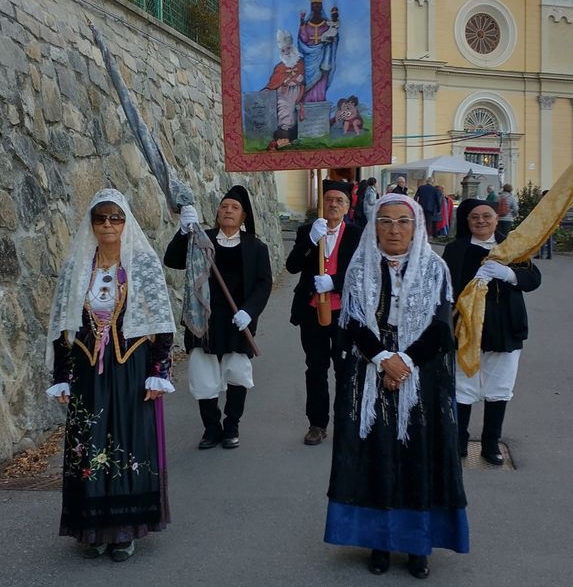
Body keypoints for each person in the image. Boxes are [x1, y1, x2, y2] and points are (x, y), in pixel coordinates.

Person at [325, 194, 469, 578]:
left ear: (417, 226)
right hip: (368, 373)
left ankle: (418, 546)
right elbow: (354, 322)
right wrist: (382, 358)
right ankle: (380, 543)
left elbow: (441, 326)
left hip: (422, 377)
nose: (394, 229)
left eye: (403, 221)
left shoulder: (435, 268)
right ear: (374, 226)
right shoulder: (360, 267)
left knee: (418, 455)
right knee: (376, 455)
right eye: (385, 221)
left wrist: (404, 361)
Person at [46, 188, 176, 562]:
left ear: (125, 221)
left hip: (131, 370)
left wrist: (158, 371)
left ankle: (124, 532)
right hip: (88, 372)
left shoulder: (142, 264)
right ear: (91, 223)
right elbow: (63, 325)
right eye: (100, 217)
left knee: (128, 442)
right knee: (88, 446)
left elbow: (161, 322)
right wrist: (62, 375)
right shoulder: (77, 268)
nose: (107, 224)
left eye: (115, 217)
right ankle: (92, 530)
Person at [164, 185, 272, 450]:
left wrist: (249, 311)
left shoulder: (256, 247)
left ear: (243, 216)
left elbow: (263, 283)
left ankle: (231, 426)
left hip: (238, 319)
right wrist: (183, 232)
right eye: (224, 206)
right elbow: (173, 260)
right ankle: (211, 429)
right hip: (205, 318)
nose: (228, 211)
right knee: (204, 376)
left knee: (237, 373)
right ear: (217, 213)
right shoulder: (202, 239)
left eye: (234, 208)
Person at [442, 198, 541, 465]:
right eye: (474, 217)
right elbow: (444, 287)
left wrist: (508, 274)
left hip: (505, 327)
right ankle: (459, 440)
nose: (481, 221)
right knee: (463, 385)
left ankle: (490, 443)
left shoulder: (512, 247)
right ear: (467, 221)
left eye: (487, 216)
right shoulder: (456, 249)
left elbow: (533, 279)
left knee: (499, 386)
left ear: (497, 219)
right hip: (467, 328)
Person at [285, 181, 363, 445]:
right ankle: (317, 424)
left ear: (348, 207)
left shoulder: (357, 234)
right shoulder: (308, 230)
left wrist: (335, 282)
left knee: (345, 369)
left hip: (344, 314)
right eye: (329, 199)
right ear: (322, 203)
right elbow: (292, 266)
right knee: (316, 369)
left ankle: (346, 422)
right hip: (311, 312)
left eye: (339, 200)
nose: (333, 204)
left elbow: (363, 272)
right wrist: (310, 240)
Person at [298, 0, 340, 102]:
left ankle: (320, 100)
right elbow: (303, 40)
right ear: (311, 6)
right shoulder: (306, 24)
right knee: (308, 81)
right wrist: (302, 24)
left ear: (321, 6)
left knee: (322, 77)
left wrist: (331, 40)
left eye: (318, 4)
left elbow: (334, 37)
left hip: (323, 57)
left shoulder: (327, 24)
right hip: (309, 58)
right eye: (314, 4)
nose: (316, 6)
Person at [262, 29, 305, 137]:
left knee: (292, 109)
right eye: (283, 50)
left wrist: (299, 80)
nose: (287, 52)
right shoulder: (279, 67)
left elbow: (305, 78)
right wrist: (268, 88)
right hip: (283, 93)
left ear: (293, 48)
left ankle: (290, 133)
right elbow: (274, 82)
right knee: (285, 107)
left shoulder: (301, 63)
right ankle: (284, 133)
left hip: (297, 92)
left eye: (288, 48)